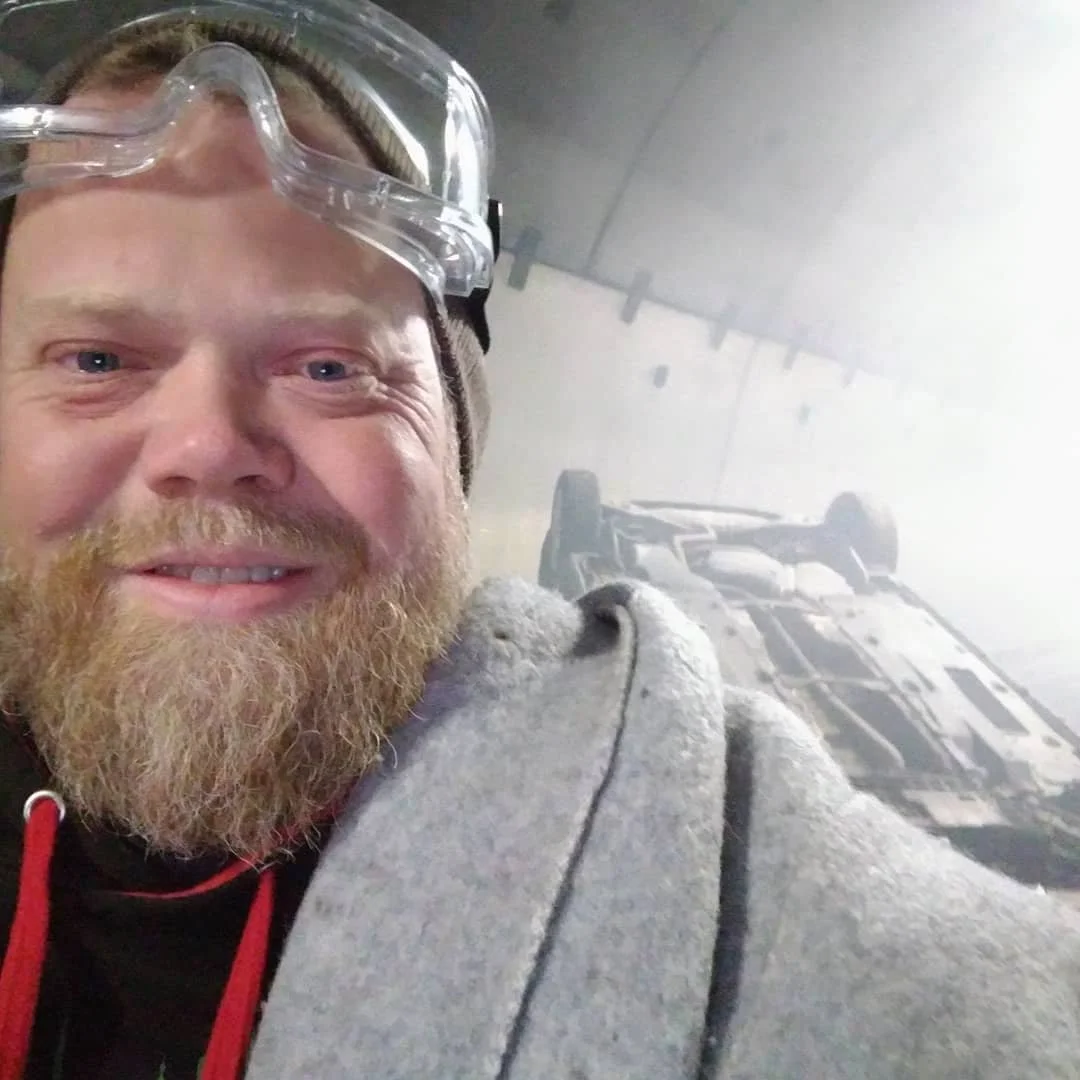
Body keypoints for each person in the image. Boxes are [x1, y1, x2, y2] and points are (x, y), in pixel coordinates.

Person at [0, 2, 1076, 1078]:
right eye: (96, 361)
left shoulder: (721, 862)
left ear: (457, 445)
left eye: (330, 367)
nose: (208, 444)